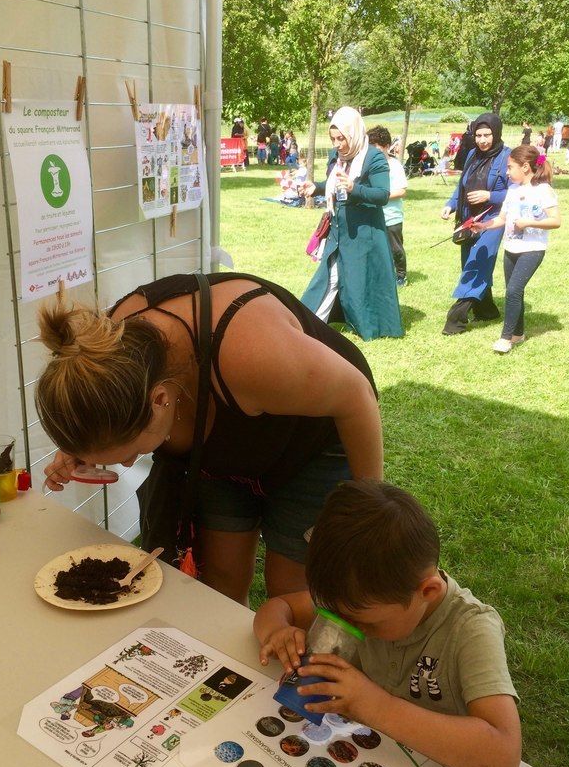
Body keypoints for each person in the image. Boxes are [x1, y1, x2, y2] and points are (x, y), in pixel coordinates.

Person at [38, 274, 383, 606]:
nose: (128, 463)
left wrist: (369, 508)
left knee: (290, 591)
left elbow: (357, 397)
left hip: (312, 446)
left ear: (160, 400)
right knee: (220, 583)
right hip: (225, 448)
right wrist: (79, 444)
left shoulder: (251, 353)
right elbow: (92, 400)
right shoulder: (105, 351)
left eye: (132, 452)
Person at [254, 480, 521, 767]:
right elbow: (278, 608)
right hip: (366, 762)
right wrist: (278, 631)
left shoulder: (471, 630)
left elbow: (503, 757)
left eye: (365, 623)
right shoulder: (359, 597)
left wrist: (375, 706)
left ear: (428, 591)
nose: (348, 628)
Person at [300, 107, 403, 341]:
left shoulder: (373, 157)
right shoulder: (337, 158)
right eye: (333, 139)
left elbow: (382, 195)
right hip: (339, 228)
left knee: (351, 279)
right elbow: (332, 184)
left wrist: (354, 189)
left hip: (364, 232)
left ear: (353, 133)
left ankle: (311, 325)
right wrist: (315, 187)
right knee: (331, 274)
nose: (337, 144)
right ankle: (308, 324)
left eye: (341, 138)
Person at [474, 146, 561, 354]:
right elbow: (502, 219)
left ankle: (505, 338)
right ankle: (518, 333)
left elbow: (556, 221)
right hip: (511, 247)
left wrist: (529, 222)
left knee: (513, 290)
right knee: (514, 292)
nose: (507, 171)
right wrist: (483, 226)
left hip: (532, 249)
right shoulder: (512, 190)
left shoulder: (543, 190)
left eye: (510, 167)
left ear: (525, 167)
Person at [440, 112, 510, 335]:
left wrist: (490, 196)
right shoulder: (472, 154)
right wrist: (450, 205)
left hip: (493, 220)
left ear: (496, 133)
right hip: (468, 218)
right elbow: (462, 185)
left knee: (477, 263)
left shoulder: (508, 157)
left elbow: (518, 192)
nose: (482, 140)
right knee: (470, 262)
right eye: (478, 135)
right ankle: (486, 310)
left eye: (487, 135)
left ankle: (456, 320)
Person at [368, 125, 409, 287]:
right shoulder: (370, 166)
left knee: (396, 249)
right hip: (374, 217)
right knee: (376, 250)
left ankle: (401, 275)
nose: (373, 152)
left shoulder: (395, 166)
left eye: (377, 148)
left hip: (392, 217)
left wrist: (380, 196)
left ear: (386, 146)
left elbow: (401, 191)